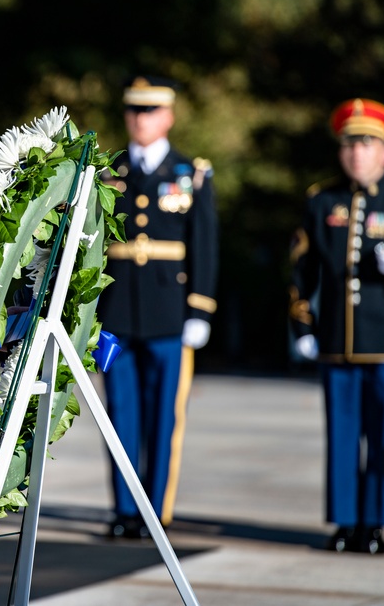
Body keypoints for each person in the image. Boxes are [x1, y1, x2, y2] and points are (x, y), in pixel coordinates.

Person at [289, 98, 384, 555]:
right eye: (350, 144)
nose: (358, 152)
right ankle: (344, 521)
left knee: (383, 434)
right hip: (336, 338)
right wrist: (303, 325)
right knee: (341, 431)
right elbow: (302, 269)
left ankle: (373, 524)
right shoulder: (322, 200)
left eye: (368, 144)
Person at [98, 76, 219, 539]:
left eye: (149, 111)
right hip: (118, 312)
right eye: (133, 110)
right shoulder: (107, 170)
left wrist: (201, 310)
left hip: (171, 312)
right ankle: (125, 511)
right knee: (121, 414)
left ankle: (155, 512)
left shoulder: (192, 173)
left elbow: (205, 245)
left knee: (164, 416)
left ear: (168, 116)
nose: (140, 119)